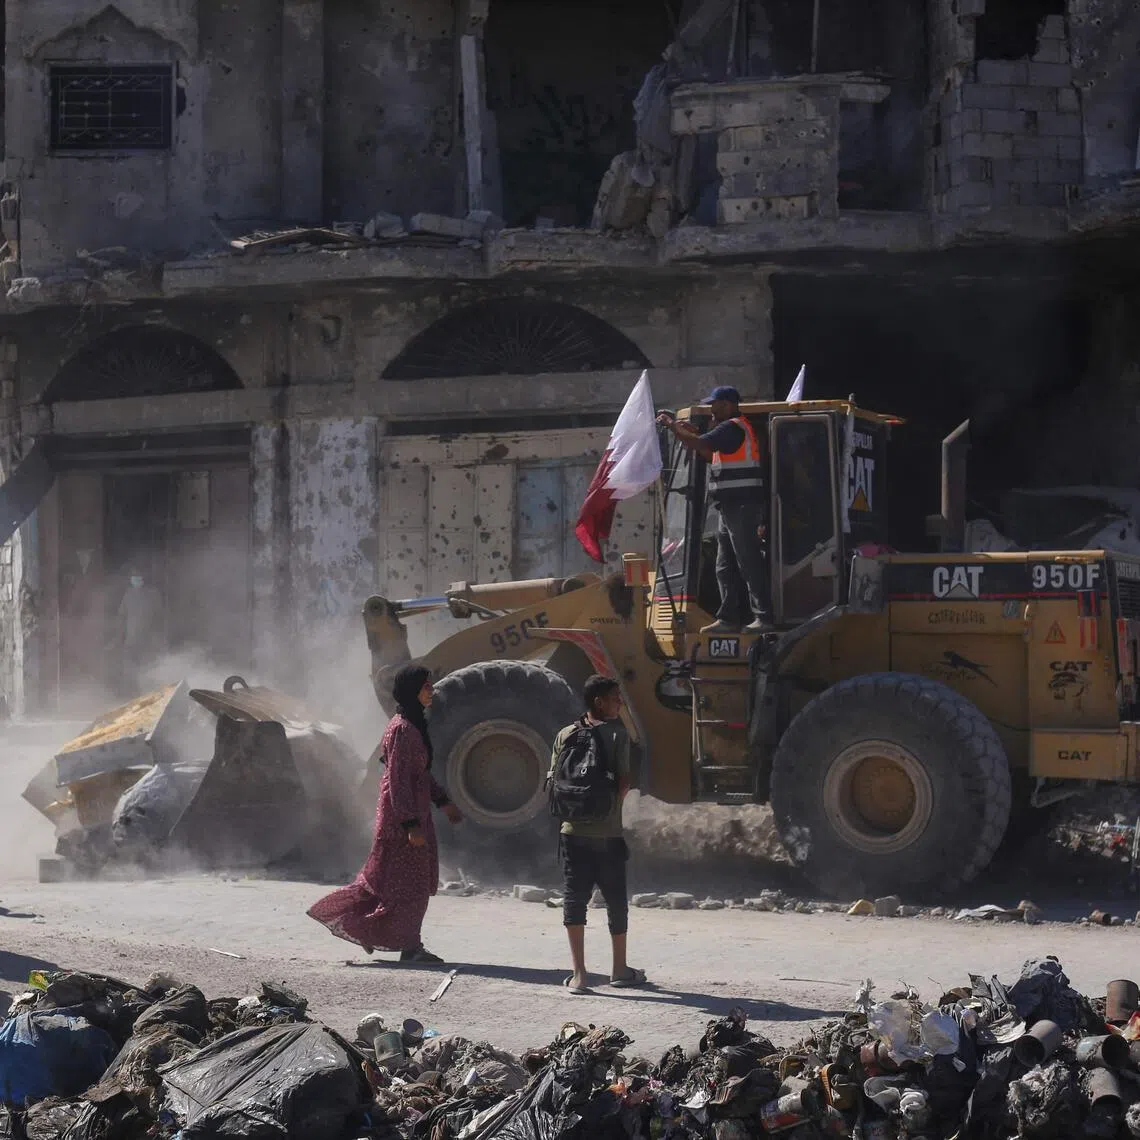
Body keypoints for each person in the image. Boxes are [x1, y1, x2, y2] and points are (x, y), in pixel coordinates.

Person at [307, 664, 462, 964]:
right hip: (402, 823)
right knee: (406, 887)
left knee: (395, 885)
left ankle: (374, 932)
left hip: (412, 817)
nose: (432, 691)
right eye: (426, 686)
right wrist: (410, 824)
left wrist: (443, 801)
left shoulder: (412, 725)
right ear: (412, 691)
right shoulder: (403, 729)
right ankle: (401, 944)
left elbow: (419, 775)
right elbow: (399, 780)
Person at [552, 674, 646, 995]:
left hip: (570, 833)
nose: (620, 702)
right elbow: (623, 785)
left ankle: (579, 976)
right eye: (615, 697)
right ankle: (619, 969)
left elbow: (552, 784)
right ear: (599, 702)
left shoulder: (565, 734)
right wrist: (606, 809)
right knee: (616, 900)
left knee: (574, 898)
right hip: (608, 835)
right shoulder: (618, 736)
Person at [657, 385, 770, 632]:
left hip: (741, 505)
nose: (711, 409)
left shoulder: (732, 428)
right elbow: (707, 452)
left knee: (748, 561)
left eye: (714, 404)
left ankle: (764, 617)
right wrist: (686, 433)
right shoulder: (729, 431)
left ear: (728, 405)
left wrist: (671, 425)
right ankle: (728, 618)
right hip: (728, 507)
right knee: (724, 564)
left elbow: (697, 444)